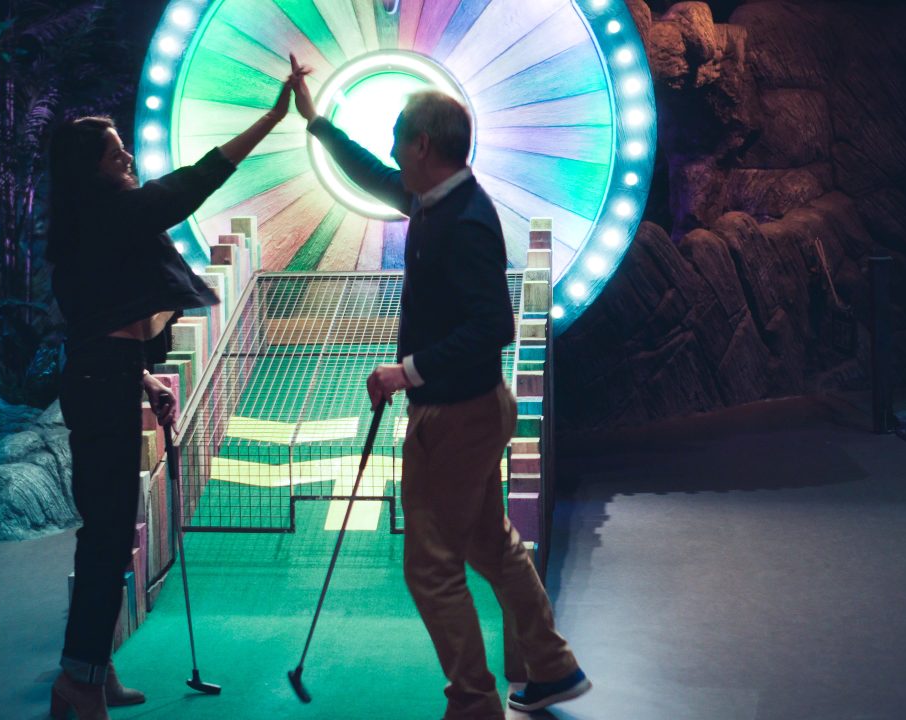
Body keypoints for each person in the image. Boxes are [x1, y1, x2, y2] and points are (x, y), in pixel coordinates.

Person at [288, 55, 591, 718]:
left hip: (457, 416)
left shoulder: (465, 222)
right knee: (490, 544)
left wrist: (407, 370)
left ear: (422, 145)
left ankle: (474, 703)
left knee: (431, 569)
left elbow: (494, 326)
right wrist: (318, 123)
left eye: (399, 139)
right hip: (471, 412)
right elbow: (372, 174)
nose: (393, 151)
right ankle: (553, 667)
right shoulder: (433, 200)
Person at [45, 73, 299, 720]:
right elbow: (193, 182)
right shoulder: (108, 215)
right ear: (91, 170)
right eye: (114, 153)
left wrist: (145, 375)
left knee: (105, 538)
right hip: (99, 382)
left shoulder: (98, 221)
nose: (127, 156)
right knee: (106, 538)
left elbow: (101, 321)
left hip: (109, 373)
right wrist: (272, 119)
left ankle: (91, 670)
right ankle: (78, 682)